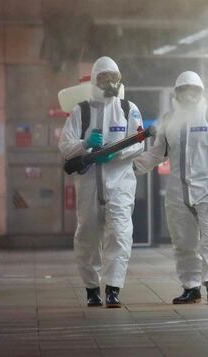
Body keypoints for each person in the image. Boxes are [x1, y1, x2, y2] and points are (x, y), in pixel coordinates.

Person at [134, 71, 208, 305]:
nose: (189, 95)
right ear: (177, 94)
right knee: (183, 242)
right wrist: (132, 167)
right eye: (184, 91)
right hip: (177, 193)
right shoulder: (169, 121)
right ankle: (191, 287)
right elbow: (156, 153)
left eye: (194, 90)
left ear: (200, 93)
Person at [59, 56, 144, 308]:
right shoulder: (81, 111)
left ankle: (113, 289)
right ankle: (92, 288)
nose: (109, 82)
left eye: (113, 77)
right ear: (95, 80)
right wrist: (85, 145)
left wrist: (116, 152)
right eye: (104, 77)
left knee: (119, 234)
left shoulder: (129, 109)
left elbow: (139, 143)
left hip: (120, 186)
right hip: (88, 187)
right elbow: (65, 145)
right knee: (87, 235)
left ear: (119, 80)